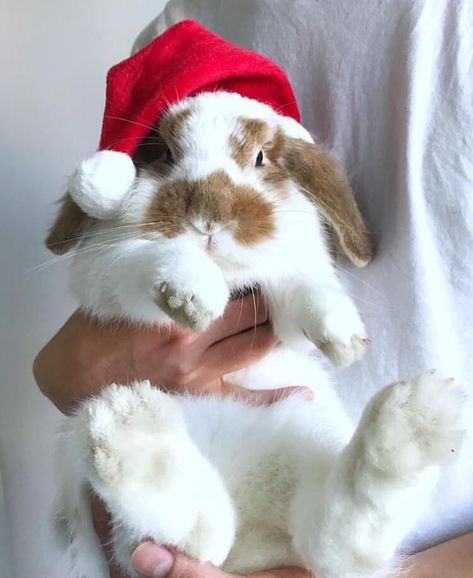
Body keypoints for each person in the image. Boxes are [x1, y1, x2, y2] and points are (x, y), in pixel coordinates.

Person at [34, 0, 473, 576]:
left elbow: (306, 287)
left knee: (315, 448)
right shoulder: (177, 30)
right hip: (173, 488)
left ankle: (358, 511)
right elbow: (81, 344)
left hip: (400, 533)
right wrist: (71, 370)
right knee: (148, 462)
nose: (210, 211)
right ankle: (188, 513)